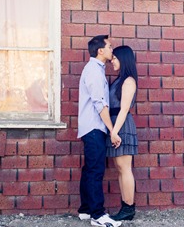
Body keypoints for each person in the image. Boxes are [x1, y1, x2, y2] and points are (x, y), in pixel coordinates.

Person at [77, 35, 122, 227]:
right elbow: (99, 104)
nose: (113, 50)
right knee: (96, 170)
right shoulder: (94, 71)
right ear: (100, 51)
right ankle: (98, 215)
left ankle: (86, 209)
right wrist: (112, 130)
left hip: (91, 127)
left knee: (90, 169)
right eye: (110, 47)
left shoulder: (96, 69)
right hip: (95, 127)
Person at [106, 46, 138, 221]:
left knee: (125, 168)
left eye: (115, 59)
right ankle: (125, 207)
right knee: (120, 168)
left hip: (122, 126)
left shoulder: (128, 81)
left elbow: (124, 109)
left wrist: (114, 131)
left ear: (124, 60)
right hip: (116, 126)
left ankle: (128, 208)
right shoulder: (119, 80)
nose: (112, 62)